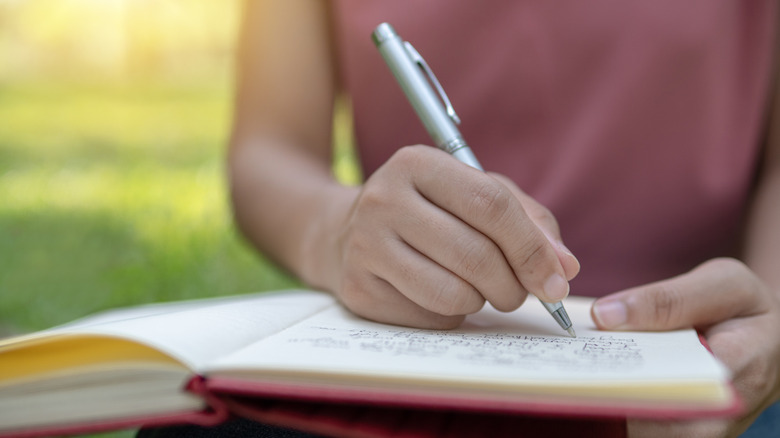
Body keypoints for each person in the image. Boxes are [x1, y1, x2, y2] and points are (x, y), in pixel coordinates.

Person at [148, 1, 780, 436]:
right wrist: (335, 232)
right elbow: (270, 149)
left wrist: (772, 310)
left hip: (713, 351)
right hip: (419, 350)